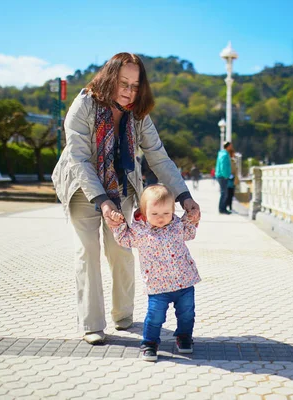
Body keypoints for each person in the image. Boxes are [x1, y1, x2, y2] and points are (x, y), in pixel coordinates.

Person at [51, 53, 201, 345]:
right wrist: (103, 202)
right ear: (109, 78)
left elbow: (158, 157)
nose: (129, 91)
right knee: (88, 252)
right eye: (123, 83)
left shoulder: (138, 113)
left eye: (135, 85)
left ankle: (123, 315)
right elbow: (79, 159)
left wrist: (185, 197)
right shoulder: (84, 105)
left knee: (121, 250)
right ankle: (92, 324)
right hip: (83, 187)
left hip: (121, 186)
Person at [109, 184, 200, 361]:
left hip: (185, 282)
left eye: (166, 213)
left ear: (173, 210)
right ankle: (149, 343)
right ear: (144, 212)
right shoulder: (139, 232)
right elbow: (123, 239)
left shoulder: (177, 225)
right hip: (158, 287)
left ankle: (184, 337)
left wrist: (192, 218)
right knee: (155, 317)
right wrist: (119, 224)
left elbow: (190, 233)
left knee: (187, 314)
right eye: (155, 214)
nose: (161, 218)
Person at [215, 142, 233, 214]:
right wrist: (226, 175)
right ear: (228, 146)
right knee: (224, 193)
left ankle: (223, 208)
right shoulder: (225, 154)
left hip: (221, 175)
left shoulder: (222, 153)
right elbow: (223, 166)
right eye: (231, 146)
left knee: (224, 192)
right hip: (222, 176)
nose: (231, 147)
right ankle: (222, 209)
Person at [226, 146, 239, 212]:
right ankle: (229, 207)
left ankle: (230, 206)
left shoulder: (232, 161)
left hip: (232, 179)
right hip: (230, 179)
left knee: (230, 194)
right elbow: (231, 170)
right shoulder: (229, 161)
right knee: (229, 194)